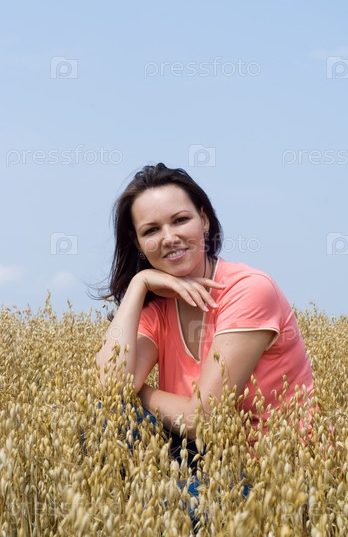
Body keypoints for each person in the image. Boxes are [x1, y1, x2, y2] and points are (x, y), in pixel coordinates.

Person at [96, 162, 315, 451]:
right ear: (137, 243)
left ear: (204, 220)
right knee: (109, 421)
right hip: (205, 460)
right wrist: (139, 284)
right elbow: (110, 390)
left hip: (275, 467)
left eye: (180, 220)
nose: (169, 238)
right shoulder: (157, 308)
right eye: (151, 230)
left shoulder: (249, 290)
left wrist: (137, 393)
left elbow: (202, 421)